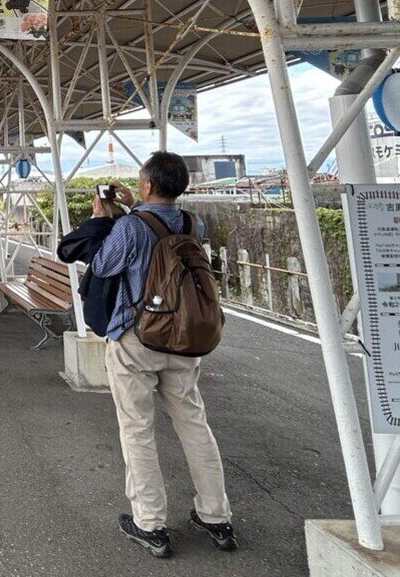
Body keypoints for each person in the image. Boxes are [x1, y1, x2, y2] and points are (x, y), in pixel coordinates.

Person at [89, 151, 235, 558]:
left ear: (147, 185)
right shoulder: (193, 222)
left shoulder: (132, 226)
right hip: (186, 338)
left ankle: (150, 523)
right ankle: (215, 515)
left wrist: (106, 217)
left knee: (137, 428)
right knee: (194, 424)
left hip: (138, 339)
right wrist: (131, 207)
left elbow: (102, 265)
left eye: (140, 182)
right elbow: (162, 232)